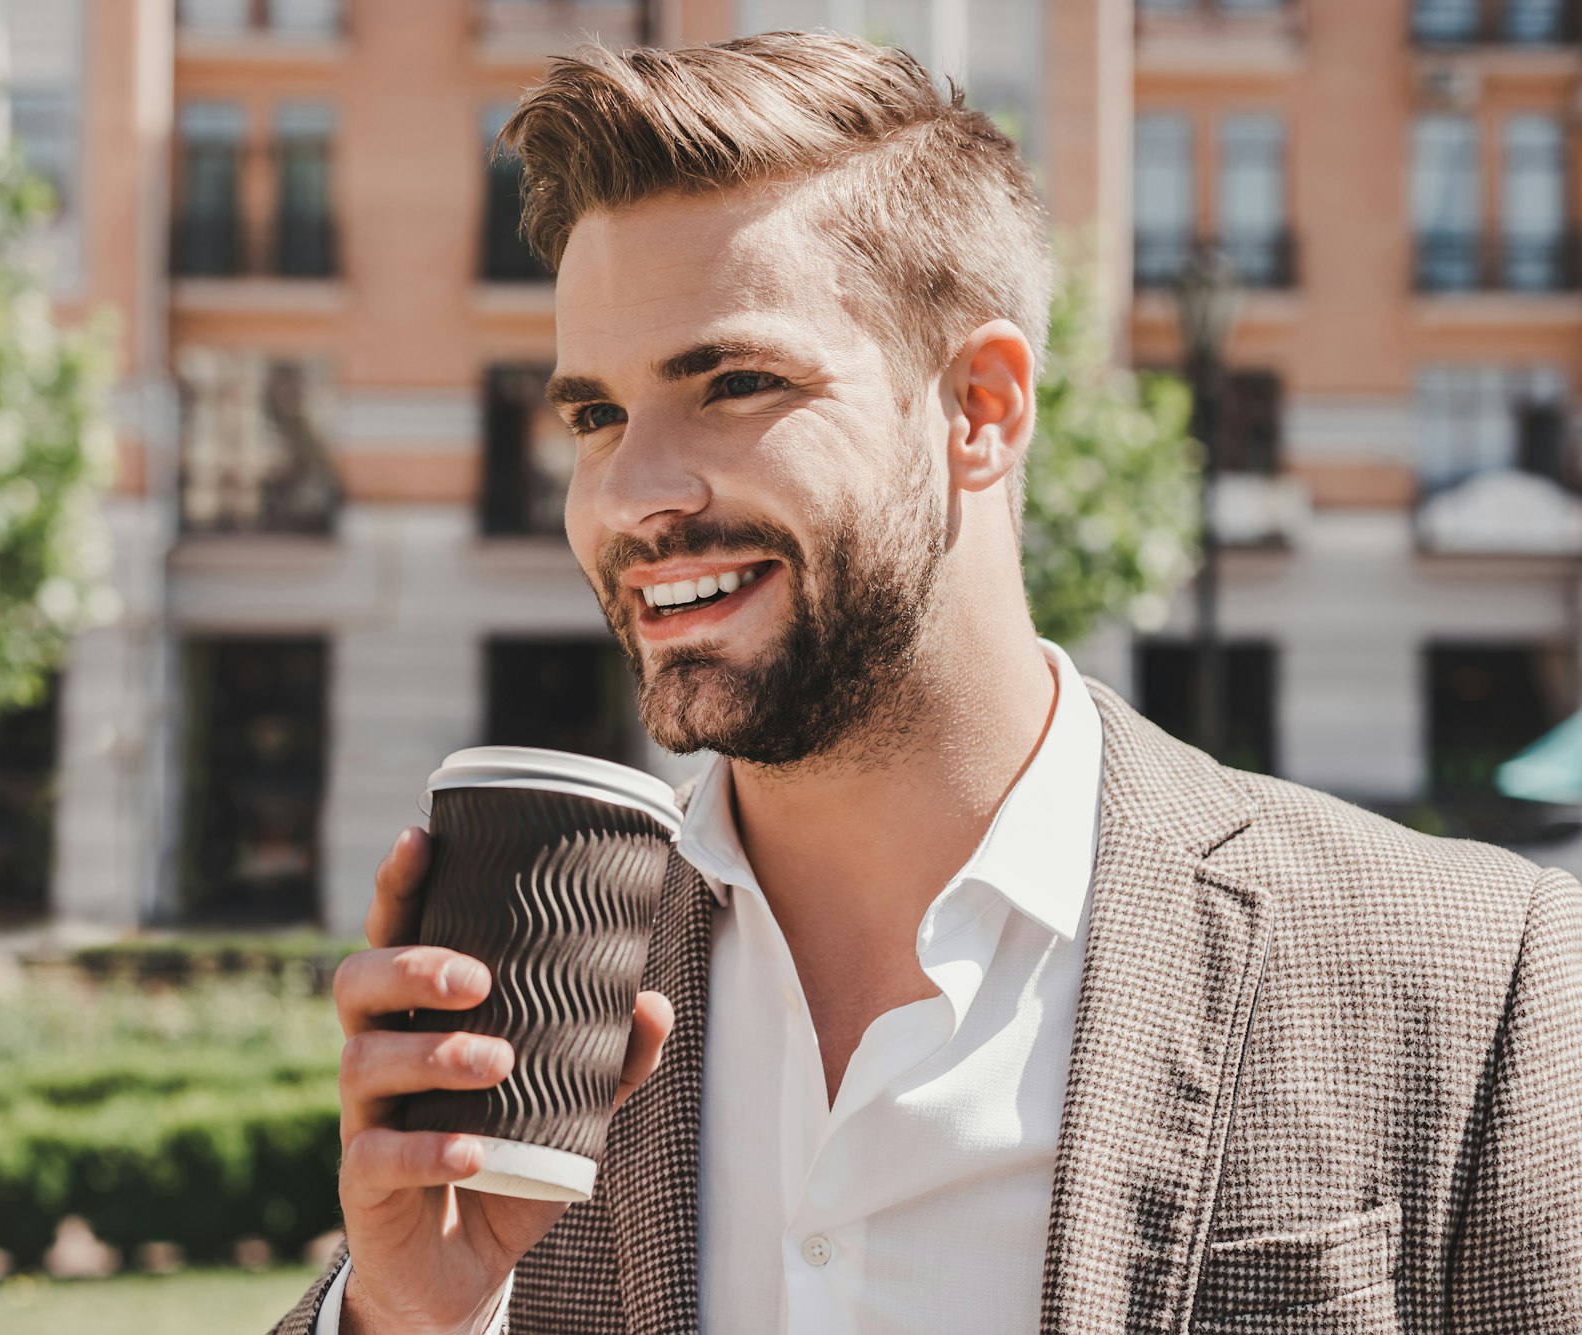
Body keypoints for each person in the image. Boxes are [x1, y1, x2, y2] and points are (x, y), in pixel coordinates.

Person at [275, 31, 1582, 1335]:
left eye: (733, 384)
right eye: (595, 416)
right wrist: (405, 1320)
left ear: (983, 408)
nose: (627, 494)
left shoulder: (1480, 981)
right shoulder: (537, 1020)